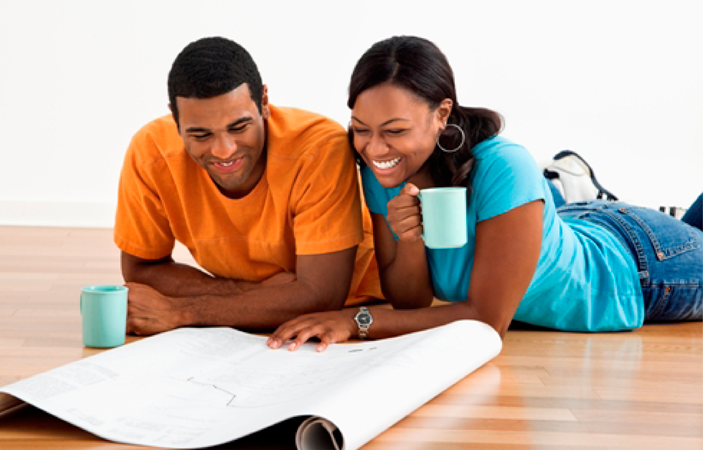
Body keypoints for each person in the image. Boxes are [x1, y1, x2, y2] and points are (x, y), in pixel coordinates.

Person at [268, 35, 702, 352]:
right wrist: (411, 239)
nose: (374, 148)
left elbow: (485, 320)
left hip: (639, 267)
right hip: (574, 224)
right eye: (361, 130)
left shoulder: (504, 165)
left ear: (442, 114)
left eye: (394, 131)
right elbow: (410, 301)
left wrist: (355, 320)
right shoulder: (383, 172)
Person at [115, 37, 381, 336]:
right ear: (176, 121)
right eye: (201, 135)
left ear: (264, 103)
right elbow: (141, 270)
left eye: (239, 127)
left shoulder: (319, 148)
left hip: (362, 304)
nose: (224, 150)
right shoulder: (151, 150)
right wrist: (241, 291)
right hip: (263, 313)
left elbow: (320, 296)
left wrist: (181, 311)